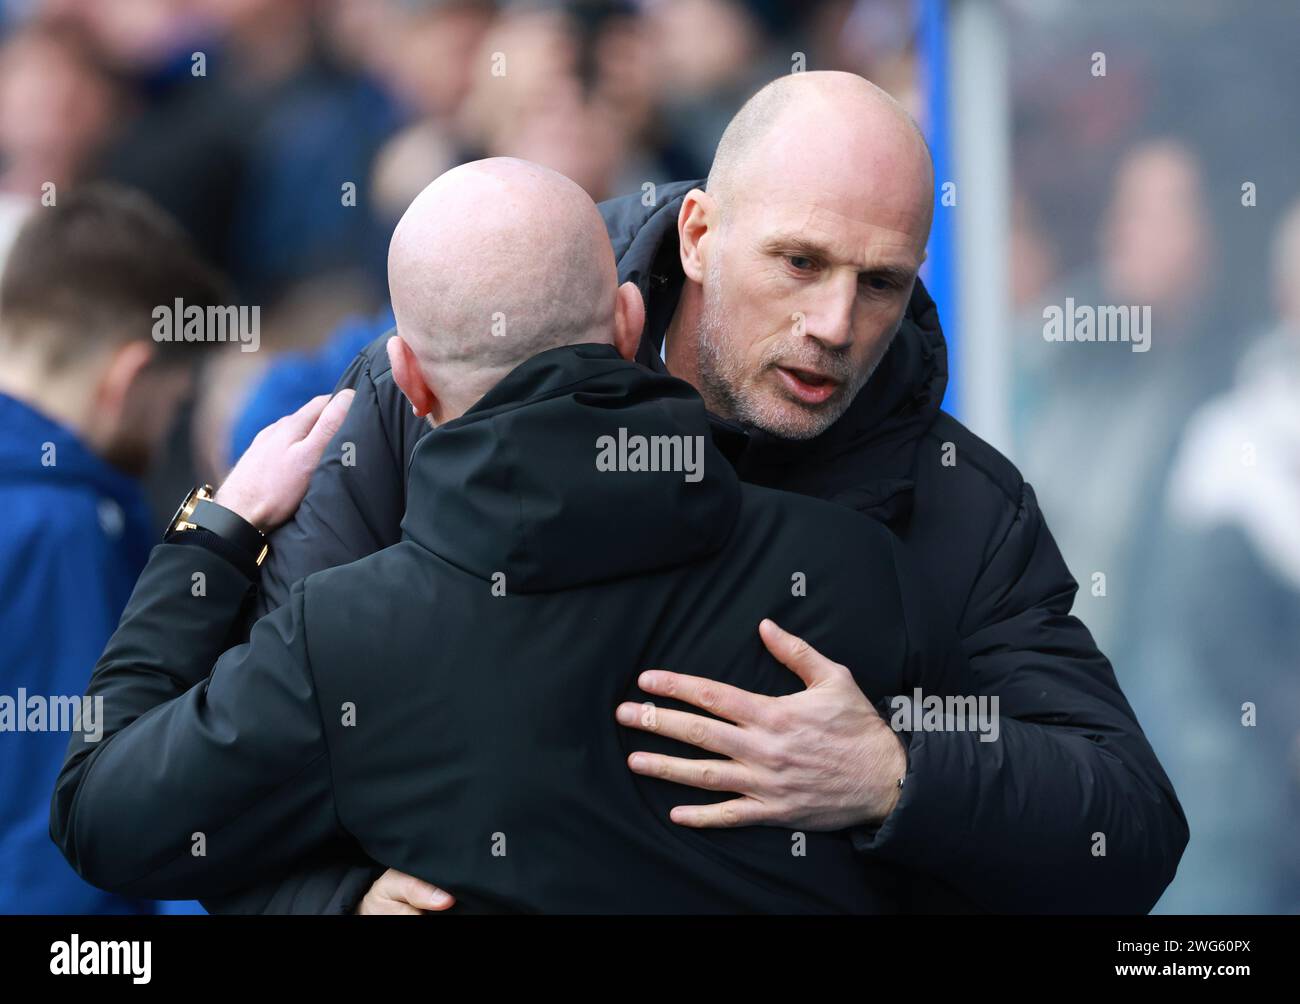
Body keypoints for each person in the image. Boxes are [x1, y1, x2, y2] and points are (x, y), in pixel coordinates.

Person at [215, 71, 1187, 915]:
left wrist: (891, 775)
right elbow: (222, 785)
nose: (834, 324)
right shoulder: (437, 389)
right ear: (697, 232)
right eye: (798, 262)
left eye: (881, 282)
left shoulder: (960, 503)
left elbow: (1128, 826)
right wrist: (335, 900)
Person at [53, 158, 969, 913]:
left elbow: (101, 817)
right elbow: (1047, 851)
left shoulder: (347, 636)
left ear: (408, 383)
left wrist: (217, 531)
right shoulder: (856, 567)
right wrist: (897, 780)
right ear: (627, 323)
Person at [0, 184, 223, 913]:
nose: (166, 431)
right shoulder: (59, 528)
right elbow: (61, 841)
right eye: (172, 399)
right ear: (127, 381)